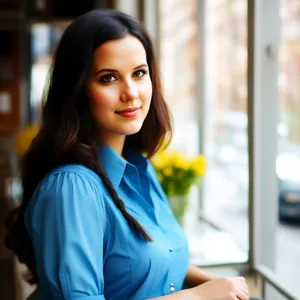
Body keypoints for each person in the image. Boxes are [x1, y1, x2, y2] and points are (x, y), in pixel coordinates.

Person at [5, 9, 251, 300]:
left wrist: (220, 286)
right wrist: (197, 297)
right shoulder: (72, 188)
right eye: (108, 78)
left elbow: (160, 255)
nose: (131, 92)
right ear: (77, 90)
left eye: (139, 73)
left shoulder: (139, 169)